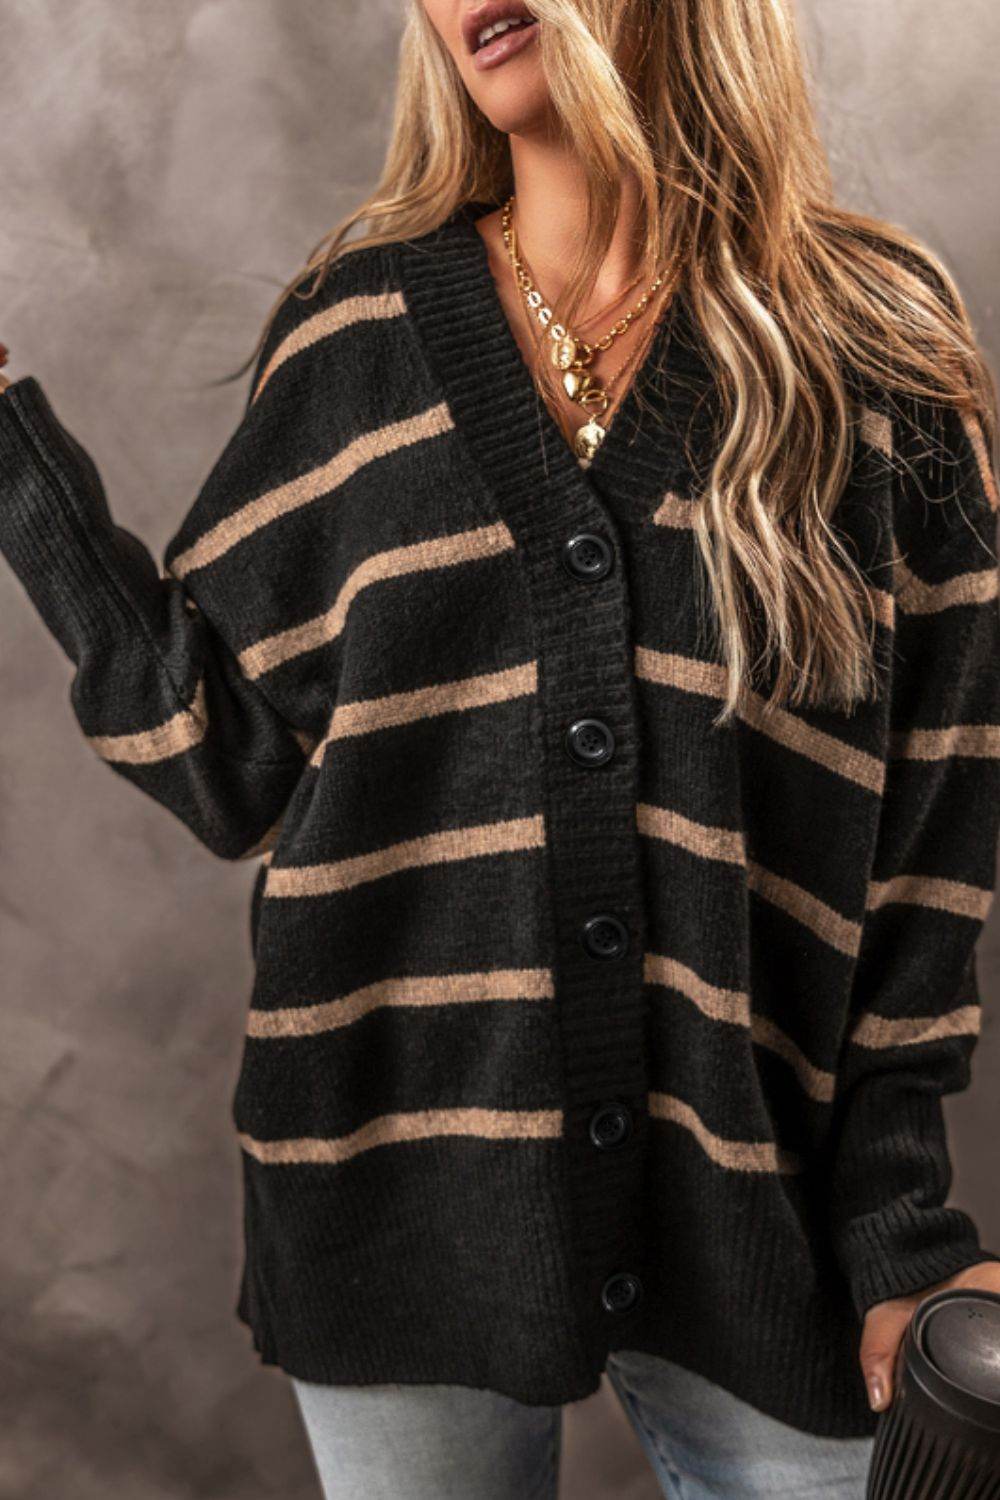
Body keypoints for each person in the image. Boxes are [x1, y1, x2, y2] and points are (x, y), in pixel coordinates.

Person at [2, 1, 999, 1496]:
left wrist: (899, 1225)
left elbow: (928, 850)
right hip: (394, 1191)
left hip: (767, 1213)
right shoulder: (358, 338)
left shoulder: (873, 347)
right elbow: (223, 757)